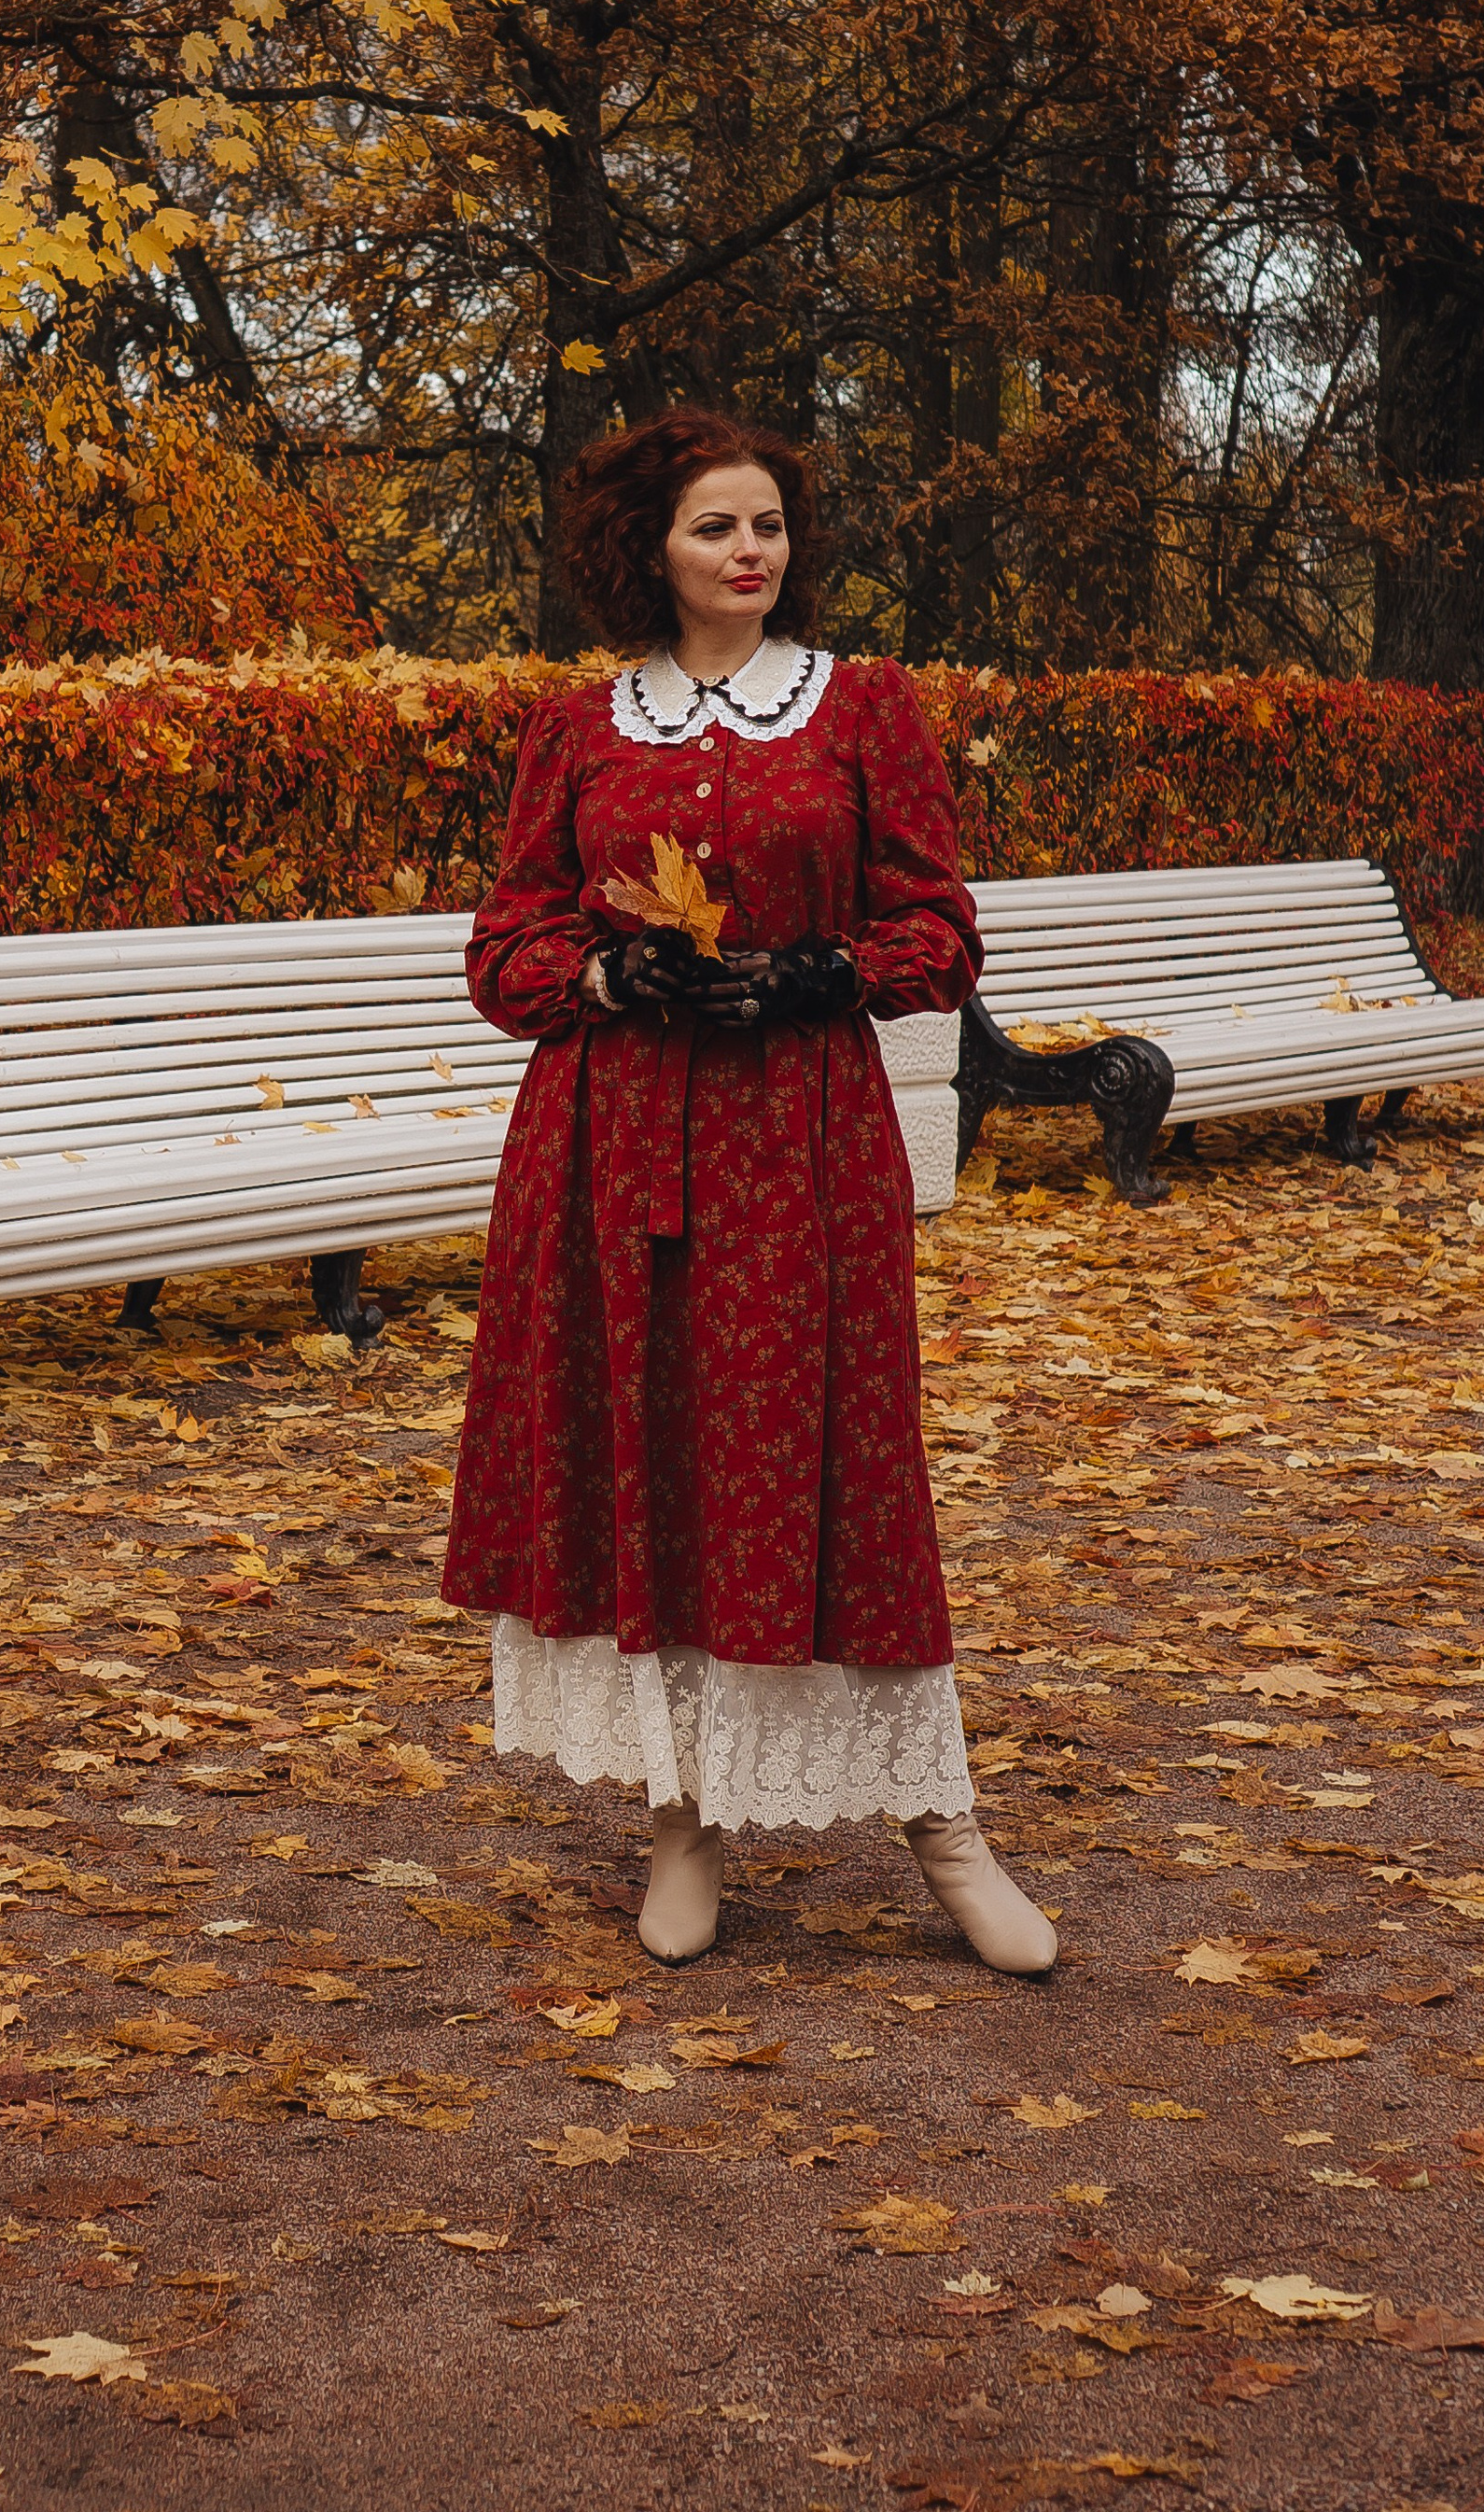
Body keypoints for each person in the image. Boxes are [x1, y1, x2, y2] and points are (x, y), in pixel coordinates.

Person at [441, 409, 1054, 1973]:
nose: (750, 551)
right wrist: (600, 966)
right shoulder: (581, 731)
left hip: (803, 1142)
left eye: (769, 524)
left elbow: (942, 930)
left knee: (835, 1464)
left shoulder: (862, 708)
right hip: (614, 1141)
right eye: (718, 526)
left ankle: (945, 1825)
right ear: (651, 547)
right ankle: (684, 1821)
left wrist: (815, 971)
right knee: (655, 1454)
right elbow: (503, 949)